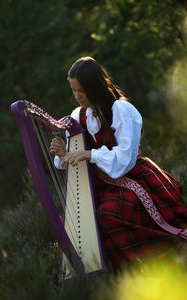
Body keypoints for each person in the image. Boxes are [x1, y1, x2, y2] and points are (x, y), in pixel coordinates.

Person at [50, 56, 187, 270]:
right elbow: (75, 155)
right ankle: (125, 273)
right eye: (73, 91)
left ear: (94, 87)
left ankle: (154, 261)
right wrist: (62, 154)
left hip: (133, 178)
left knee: (107, 214)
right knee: (81, 223)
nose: (77, 97)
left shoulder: (121, 110)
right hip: (102, 185)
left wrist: (90, 155)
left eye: (81, 91)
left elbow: (125, 158)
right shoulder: (78, 116)